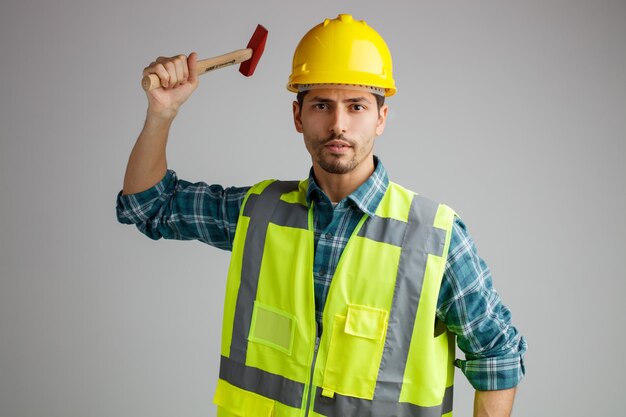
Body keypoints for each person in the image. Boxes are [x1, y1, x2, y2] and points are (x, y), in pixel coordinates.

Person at [117, 14, 526, 417]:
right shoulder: (259, 214)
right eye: (322, 105)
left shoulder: (435, 237)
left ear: (381, 118)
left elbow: (497, 355)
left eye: (357, 106)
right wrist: (162, 113)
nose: (338, 124)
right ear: (298, 116)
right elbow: (149, 205)